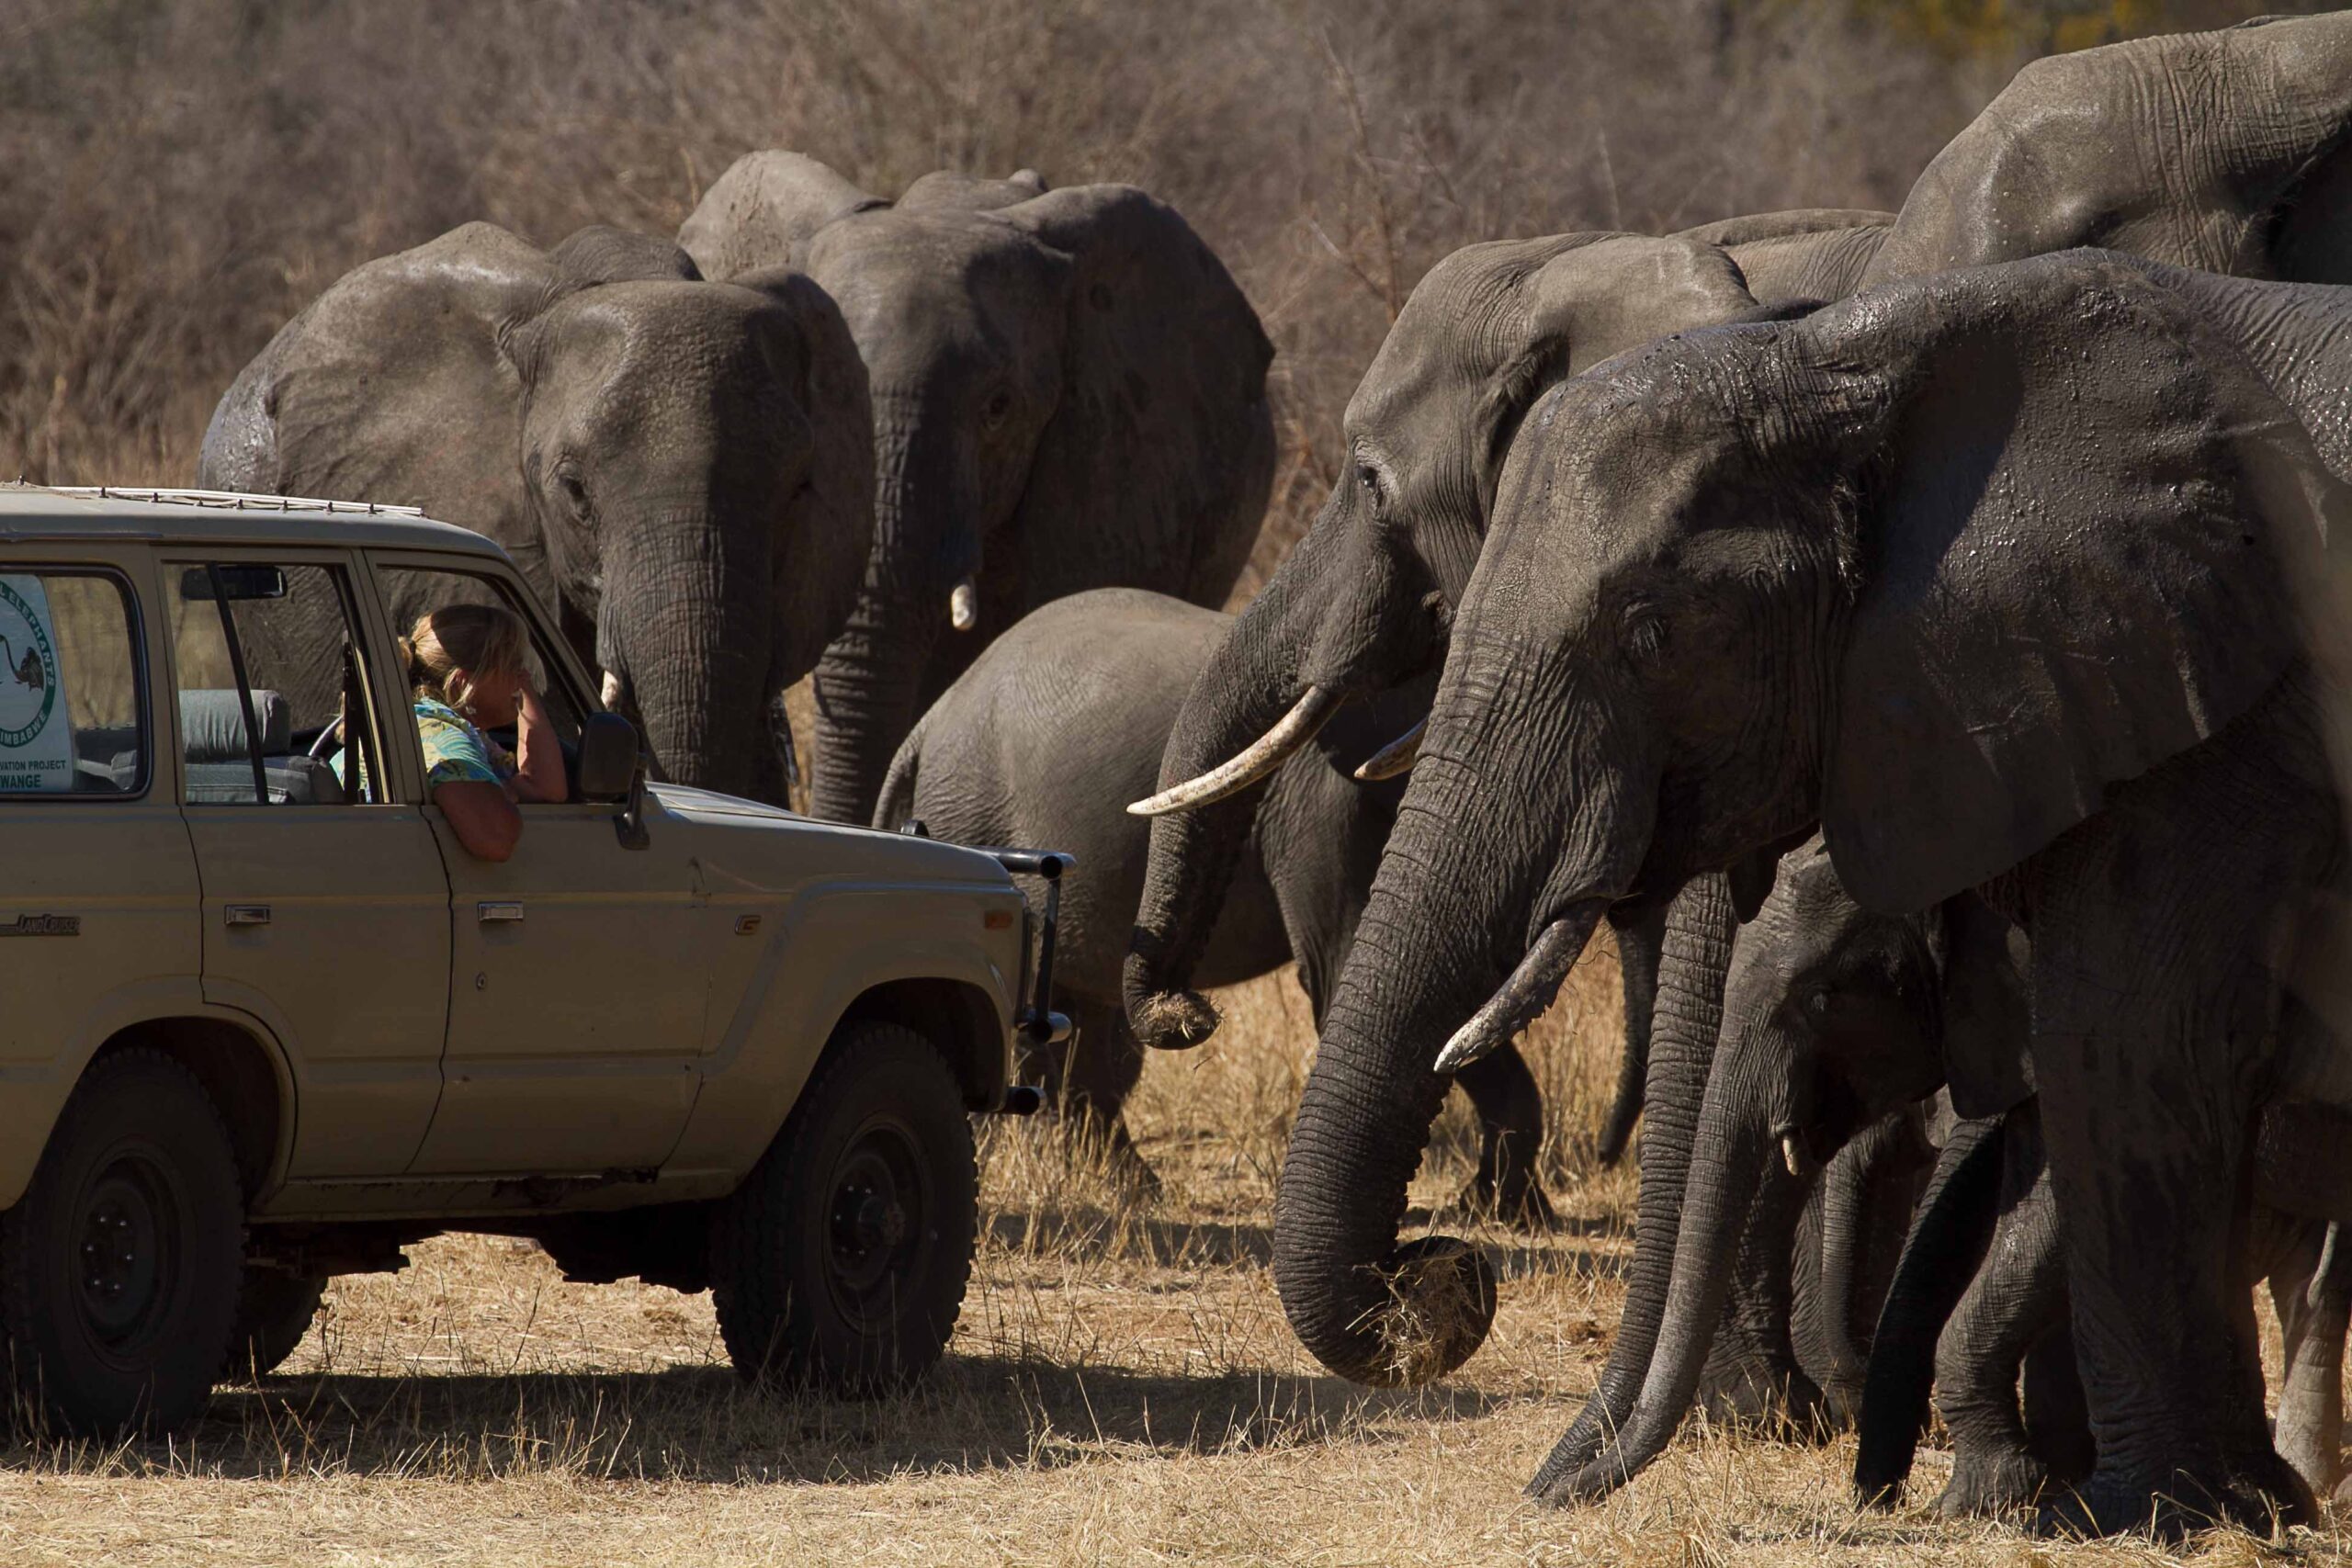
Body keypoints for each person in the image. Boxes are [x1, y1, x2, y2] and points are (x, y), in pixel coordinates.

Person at [394, 603, 567, 859]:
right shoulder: (441, 737)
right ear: (465, 684)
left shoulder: (460, 735)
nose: (521, 676)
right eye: (512, 666)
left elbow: (545, 790)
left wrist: (524, 689)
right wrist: (502, 796)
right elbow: (496, 840)